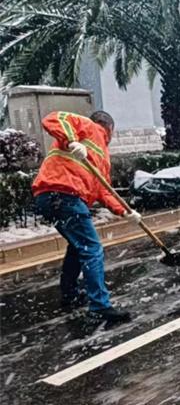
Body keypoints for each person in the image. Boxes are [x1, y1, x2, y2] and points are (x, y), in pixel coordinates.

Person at [32, 110, 141, 324]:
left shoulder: (102, 156)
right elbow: (55, 117)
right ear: (110, 128)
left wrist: (126, 211)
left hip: (50, 198)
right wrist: (73, 141)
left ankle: (70, 294)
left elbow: (104, 190)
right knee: (91, 248)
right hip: (64, 195)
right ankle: (100, 306)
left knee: (78, 246)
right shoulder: (89, 127)